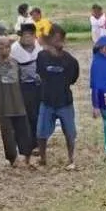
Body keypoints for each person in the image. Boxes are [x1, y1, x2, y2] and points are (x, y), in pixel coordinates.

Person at [0, 36, 35, 167]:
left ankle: (27, 155)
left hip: (18, 102)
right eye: (0, 45)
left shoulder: (16, 63)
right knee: (7, 132)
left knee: (23, 129)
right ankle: (13, 158)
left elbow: (22, 82)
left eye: (7, 46)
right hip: (1, 103)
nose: (4, 48)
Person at [35, 24, 81, 169]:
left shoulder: (71, 61)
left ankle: (71, 158)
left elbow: (73, 79)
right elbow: (40, 74)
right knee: (41, 132)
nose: (59, 42)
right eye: (56, 39)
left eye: (62, 39)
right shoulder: (41, 57)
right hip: (47, 101)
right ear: (49, 40)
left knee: (70, 132)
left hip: (65, 101)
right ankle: (42, 158)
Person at [11, 23, 42, 138]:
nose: (28, 38)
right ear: (21, 36)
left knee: (39, 113)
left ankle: (39, 138)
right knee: (29, 114)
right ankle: (30, 140)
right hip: (24, 87)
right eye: (25, 35)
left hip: (39, 85)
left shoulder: (38, 46)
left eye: (31, 35)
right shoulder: (14, 49)